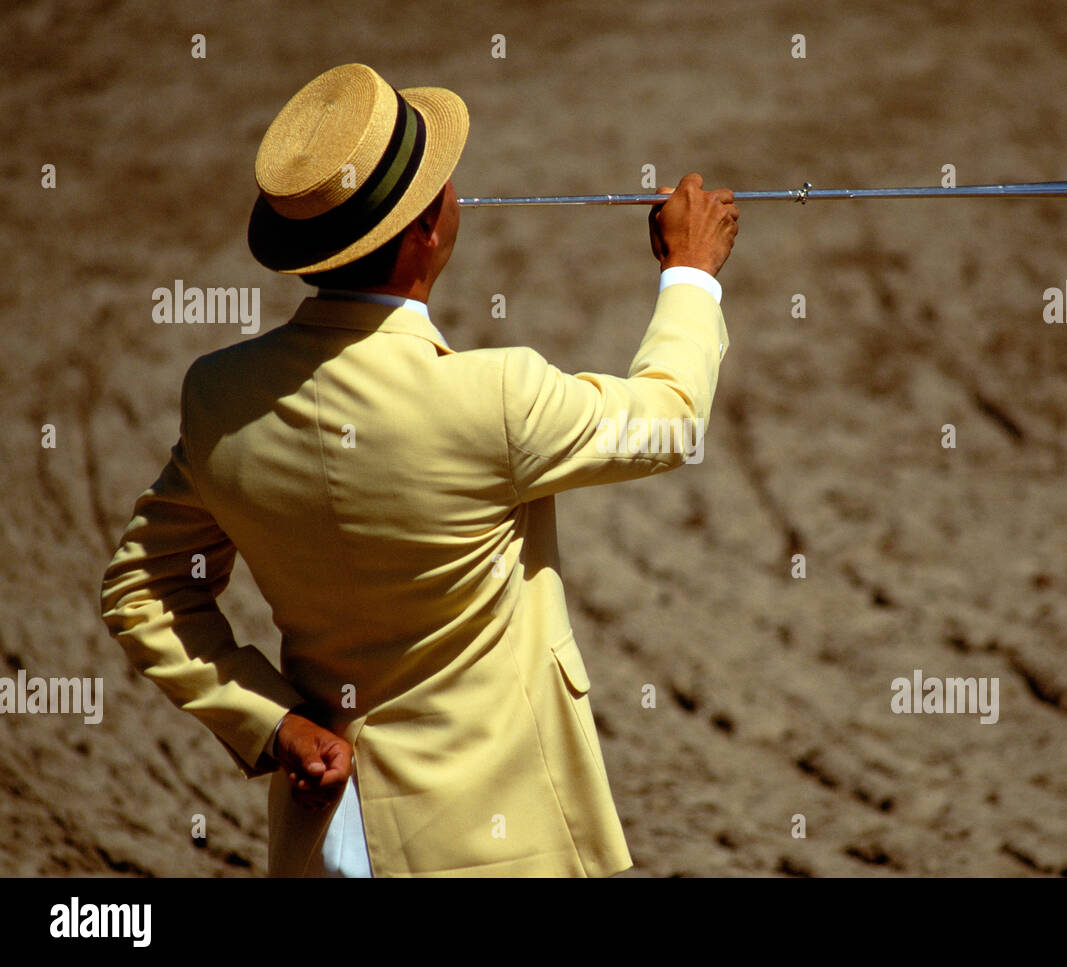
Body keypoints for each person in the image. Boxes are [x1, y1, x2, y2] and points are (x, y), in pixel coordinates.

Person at [100, 62, 737, 876]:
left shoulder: (222, 395)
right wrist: (690, 272)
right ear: (426, 232)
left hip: (328, 837)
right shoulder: (493, 396)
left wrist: (272, 720)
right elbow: (671, 422)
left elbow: (143, 588)